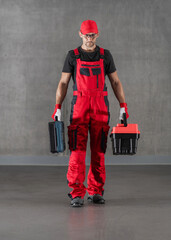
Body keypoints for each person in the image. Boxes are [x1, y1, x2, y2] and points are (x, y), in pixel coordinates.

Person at [51, 20, 129, 207]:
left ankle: (95, 191)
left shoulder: (105, 55)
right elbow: (63, 83)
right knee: (77, 153)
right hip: (79, 108)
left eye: (92, 35)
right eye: (86, 35)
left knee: (99, 151)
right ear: (80, 34)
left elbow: (116, 82)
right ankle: (76, 192)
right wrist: (58, 107)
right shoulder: (72, 56)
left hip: (101, 109)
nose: (89, 39)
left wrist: (123, 106)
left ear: (97, 34)